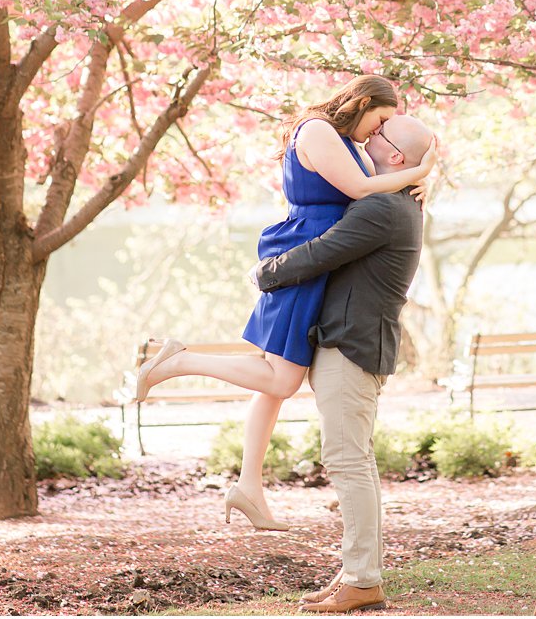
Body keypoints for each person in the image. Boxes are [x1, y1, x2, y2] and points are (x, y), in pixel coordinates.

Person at [134, 75, 435, 530]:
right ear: (361, 103)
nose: (379, 131)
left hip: (324, 253)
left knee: (274, 375)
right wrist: (418, 172)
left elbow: (386, 170)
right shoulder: (318, 131)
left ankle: (249, 486)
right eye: (380, 119)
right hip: (307, 253)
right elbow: (358, 189)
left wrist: (416, 180)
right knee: (282, 379)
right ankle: (181, 360)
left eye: (386, 127)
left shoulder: (346, 139)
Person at [251, 113, 434, 614]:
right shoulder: (396, 200)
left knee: (348, 461)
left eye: (381, 134)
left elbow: (322, 253)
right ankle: (358, 571)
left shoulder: (383, 208)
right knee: (355, 460)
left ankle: (362, 578)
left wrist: (265, 272)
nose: (369, 136)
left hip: (351, 347)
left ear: (396, 156)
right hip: (355, 344)